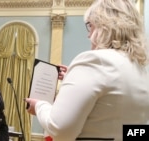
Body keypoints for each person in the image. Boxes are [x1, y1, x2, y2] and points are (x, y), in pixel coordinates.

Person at [25, 0, 149, 141]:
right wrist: (71, 79)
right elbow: (133, 128)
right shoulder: (140, 69)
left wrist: (40, 106)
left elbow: (60, 130)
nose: (88, 35)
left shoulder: (94, 61)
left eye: (90, 26)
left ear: (104, 25)